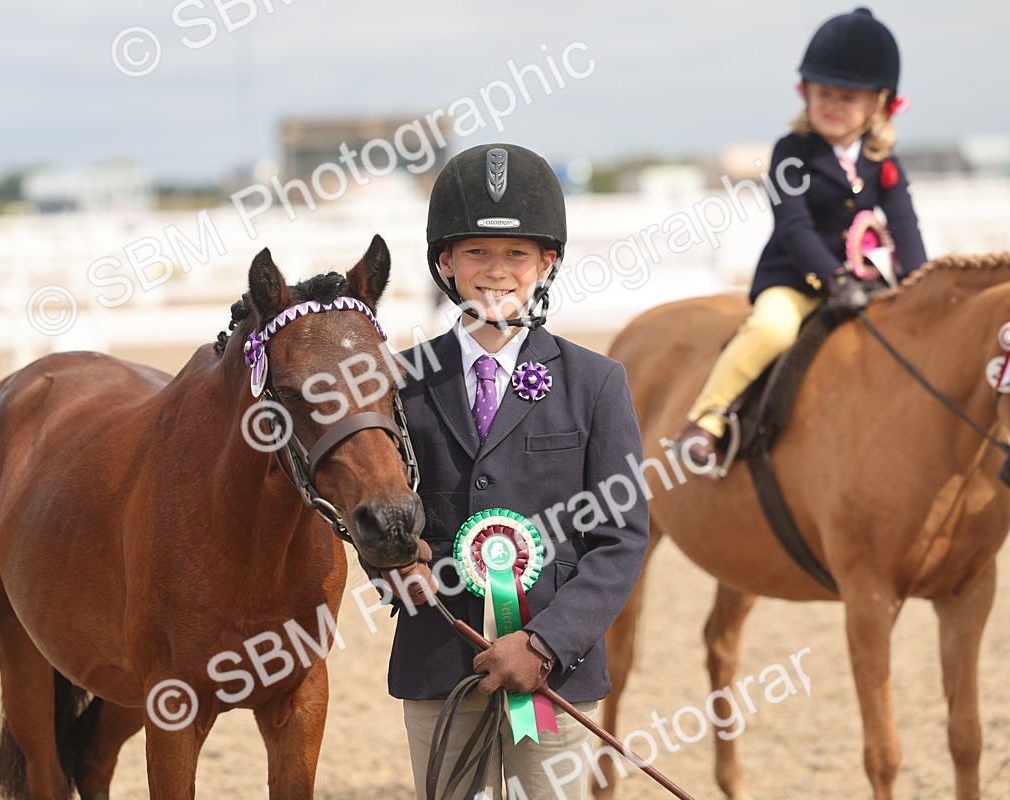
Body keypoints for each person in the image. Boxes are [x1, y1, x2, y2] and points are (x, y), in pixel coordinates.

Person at [361, 142, 649, 800]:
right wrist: (389, 571)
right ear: (446, 263)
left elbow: (622, 537)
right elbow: (375, 511)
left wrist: (545, 642)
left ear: (547, 261)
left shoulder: (596, 384)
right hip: (440, 665)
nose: (496, 271)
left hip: (552, 676)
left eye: (517, 254)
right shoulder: (400, 382)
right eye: (477, 254)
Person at [673, 6, 928, 465]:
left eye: (848, 97)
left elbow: (905, 223)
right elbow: (793, 226)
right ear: (805, 92)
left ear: (877, 105)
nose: (832, 105)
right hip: (798, 280)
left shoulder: (884, 161)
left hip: (867, 283)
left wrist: (918, 284)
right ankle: (706, 420)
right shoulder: (792, 152)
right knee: (771, 330)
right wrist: (834, 278)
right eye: (823, 92)